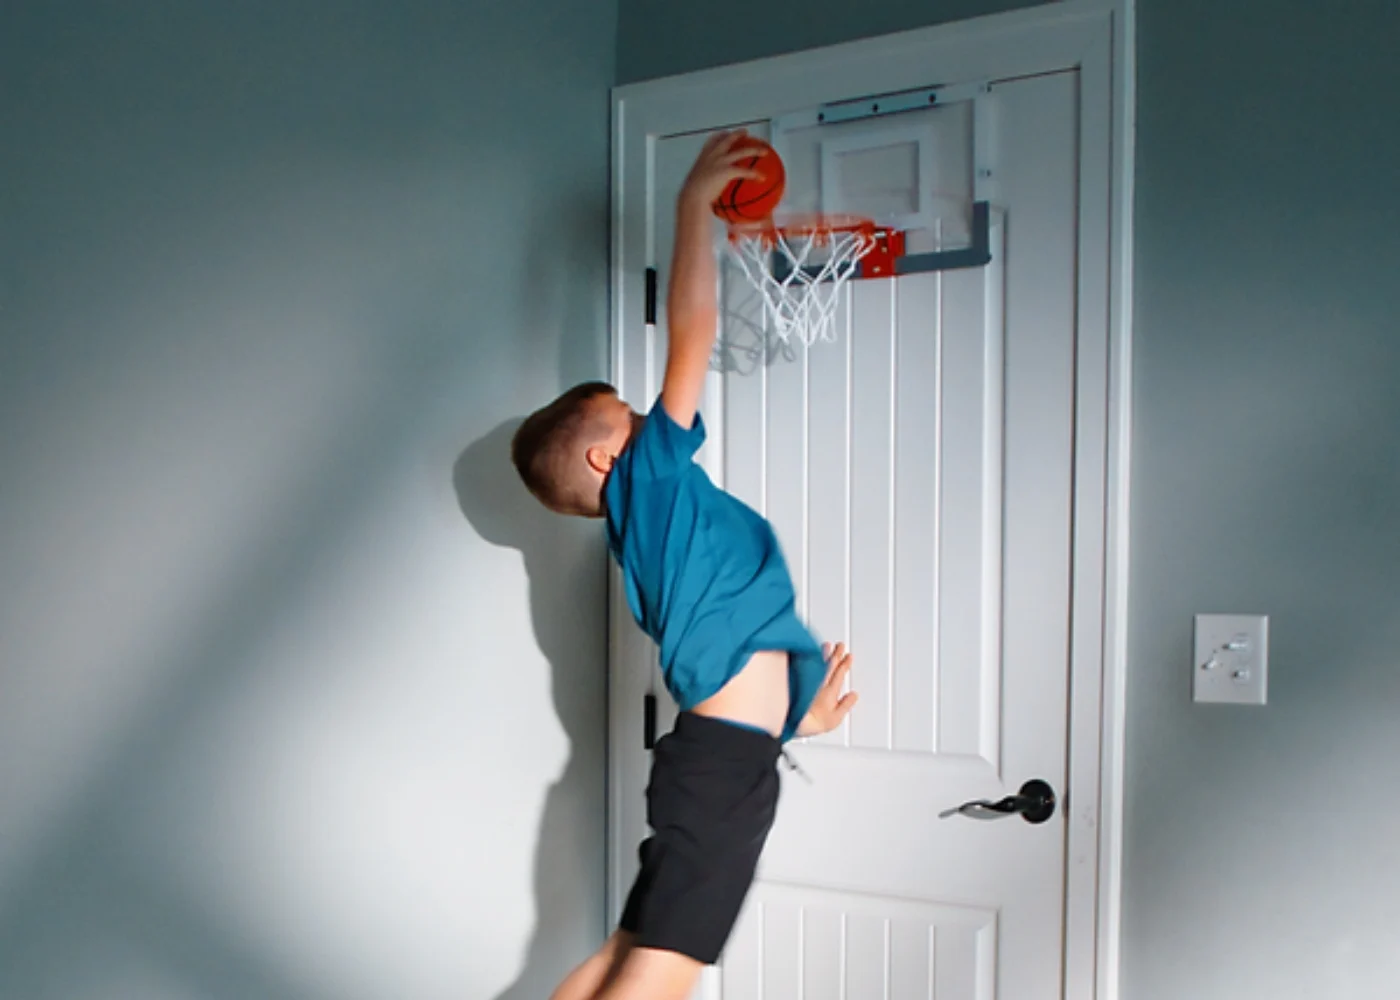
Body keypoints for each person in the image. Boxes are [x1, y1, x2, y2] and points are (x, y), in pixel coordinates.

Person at [511, 130, 859, 1000]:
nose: (649, 417)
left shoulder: (649, 524)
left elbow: (726, 644)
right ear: (606, 461)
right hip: (717, 772)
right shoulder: (652, 484)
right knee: (654, 980)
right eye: (629, 414)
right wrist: (690, 208)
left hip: (720, 763)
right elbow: (693, 335)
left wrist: (793, 723)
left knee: (626, 959)